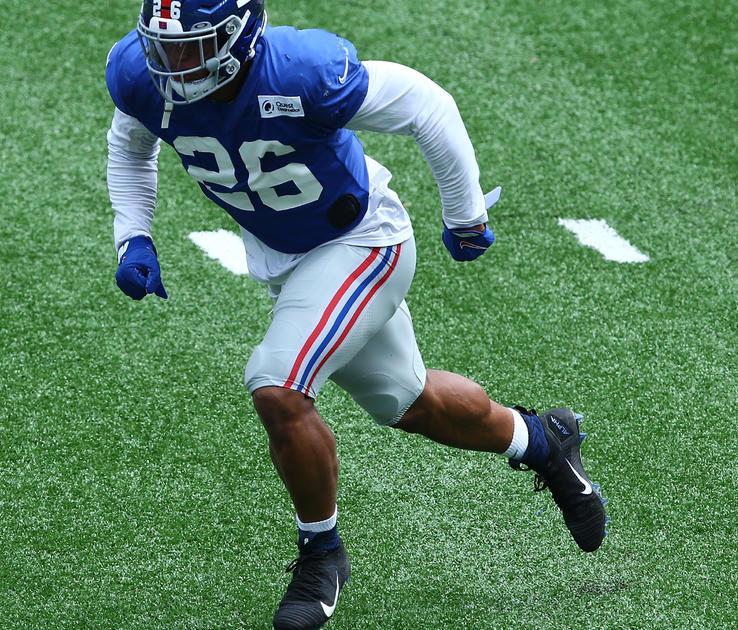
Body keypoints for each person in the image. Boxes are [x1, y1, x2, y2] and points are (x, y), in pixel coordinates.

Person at [105, 2, 607, 628]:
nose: (174, 65)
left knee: (278, 386)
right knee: (410, 402)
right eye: (164, 47)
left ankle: (322, 553)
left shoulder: (300, 71)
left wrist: (464, 212)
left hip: (363, 242)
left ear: (240, 35)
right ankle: (543, 441)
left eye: (192, 47)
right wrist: (134, 237)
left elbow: (426, 104)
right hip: (287, 256)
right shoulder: (140, 73)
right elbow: (129, 144)